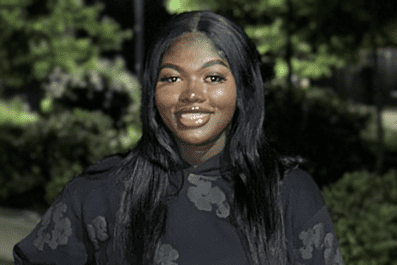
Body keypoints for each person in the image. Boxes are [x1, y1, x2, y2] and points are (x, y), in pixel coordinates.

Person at [13, 11, 344, 265]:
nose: (192, 94)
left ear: (242, 88)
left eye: (213, 77)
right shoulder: (98, 194)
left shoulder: (289, 193)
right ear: (153, 91)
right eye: (171, 78)